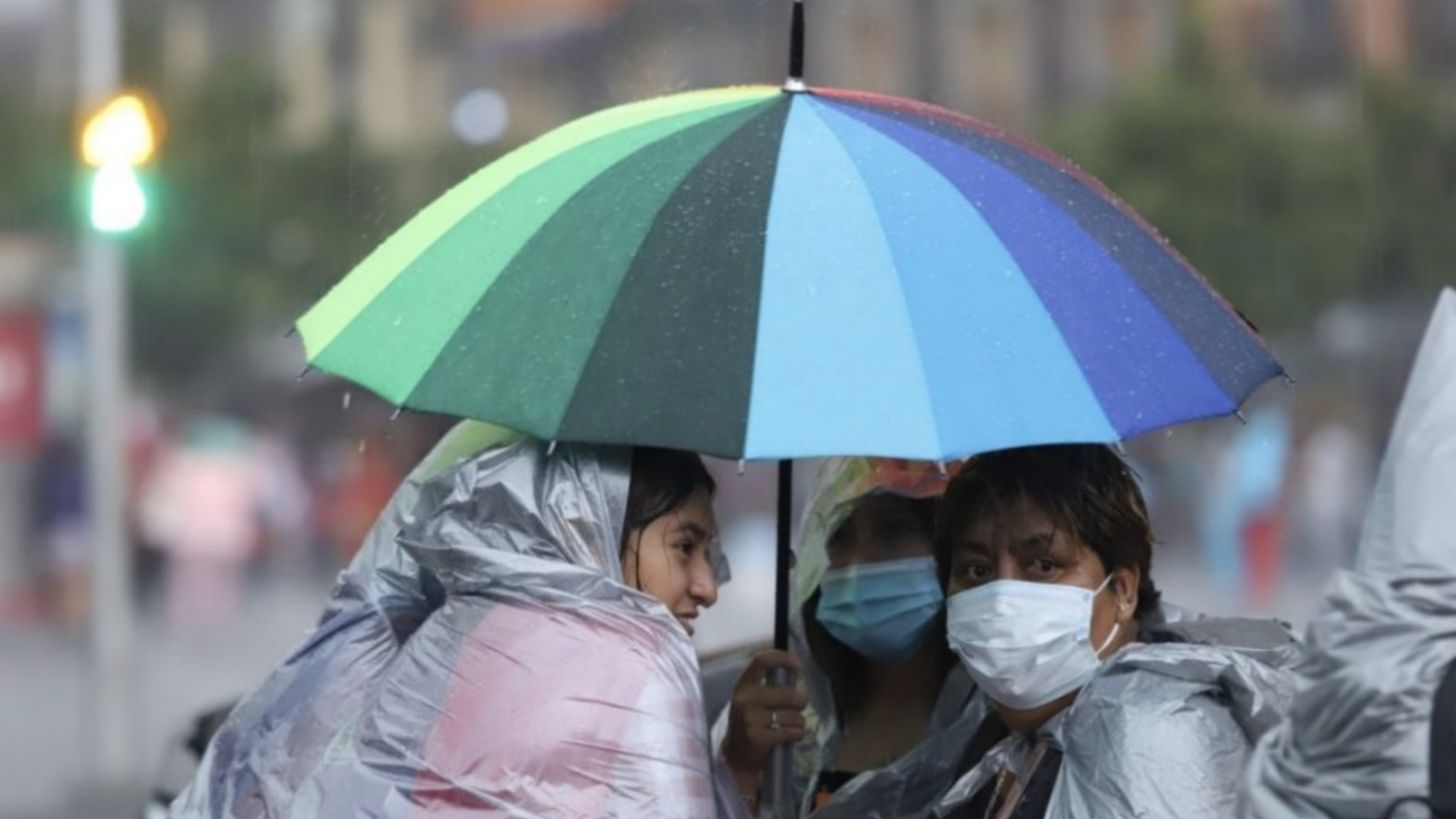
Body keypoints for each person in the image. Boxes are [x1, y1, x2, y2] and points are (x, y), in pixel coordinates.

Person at [171, 422, 729, 818]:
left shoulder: (456, 634)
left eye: (708, 553)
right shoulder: (641, 663)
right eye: (684, 547)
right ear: (594, 528)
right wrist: (741, 772)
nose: (707, 585)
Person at [932, 444, 1298, 818]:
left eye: (1044, 565)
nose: (1001, 601)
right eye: (977, 571)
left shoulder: (1148, 736)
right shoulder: (989, 724)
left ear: (1122, 590)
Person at [718, 458, 991, 817]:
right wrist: (741, 765)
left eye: (895, 530)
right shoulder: (788, 709)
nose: (858, 560)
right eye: (840, 536)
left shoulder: (1000, 715)